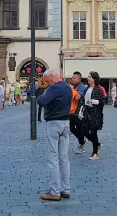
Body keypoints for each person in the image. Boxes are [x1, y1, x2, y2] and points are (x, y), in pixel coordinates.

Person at [37, 69, 72, 202]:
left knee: (53, 157)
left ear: (52, 77)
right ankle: (66, 189)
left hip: (54, 124)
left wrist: (44, 90)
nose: (47, 82)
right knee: (64, 158)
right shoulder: (67, 87)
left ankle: (54, 191)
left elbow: (41, 101)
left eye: (47, 79)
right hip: (65, 123)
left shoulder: (53, 88)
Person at [81, 71, 104, 160]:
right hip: (86, 111)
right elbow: (83, 101)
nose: (88, 78)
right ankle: (97, 144)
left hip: (95, 112)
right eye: (88, 76)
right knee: (83, 131)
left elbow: (101, 101)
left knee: (94, 132)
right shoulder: (87, 88)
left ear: (94, 79)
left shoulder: (98, 89)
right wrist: (81, 111)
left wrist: (93, 101)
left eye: (90, 77)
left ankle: (95, 153)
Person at [69, 72, 87, 154]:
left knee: (79, 128)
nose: (72, 79)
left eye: (74, 78)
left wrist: (72, 89)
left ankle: (81, 145)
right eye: (72, 78)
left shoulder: (82, 87)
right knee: (72, 128)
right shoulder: (75, 86)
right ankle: (82, 141)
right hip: (73, 111)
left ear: (79, 79)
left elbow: (77, 97)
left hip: (79, 111)